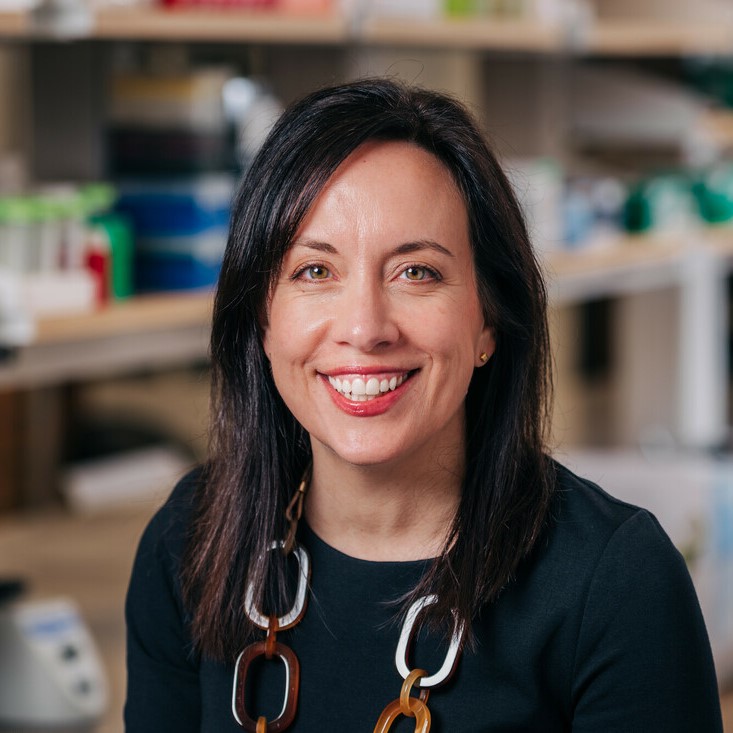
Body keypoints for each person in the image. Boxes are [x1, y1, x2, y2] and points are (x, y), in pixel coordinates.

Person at [124, 78, 723, 732]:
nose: (365, 326)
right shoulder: (192, 539)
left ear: (489, 320)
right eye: (314, 271)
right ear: (260, 317)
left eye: (417, 272)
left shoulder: (614, 583)